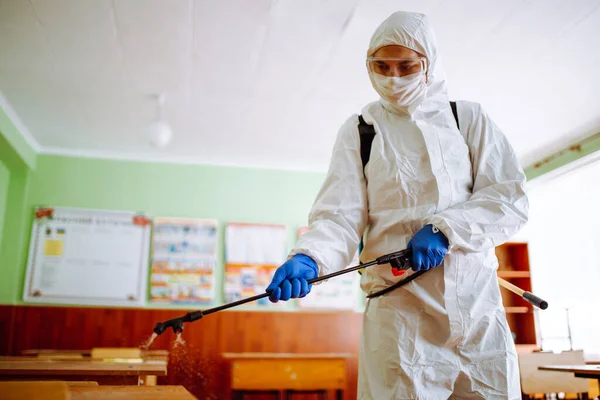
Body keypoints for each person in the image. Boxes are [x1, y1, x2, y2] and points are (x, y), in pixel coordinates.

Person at [266, 10, 528, 400]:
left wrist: (445, 229)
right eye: (380, 66)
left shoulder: (467, 118)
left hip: (475, 310)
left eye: (406, 66)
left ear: (429, 63)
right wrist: (310, 256)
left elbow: (509, 199)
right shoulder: (361, 130)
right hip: (401, 315)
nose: (392, 77)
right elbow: (339, 216)